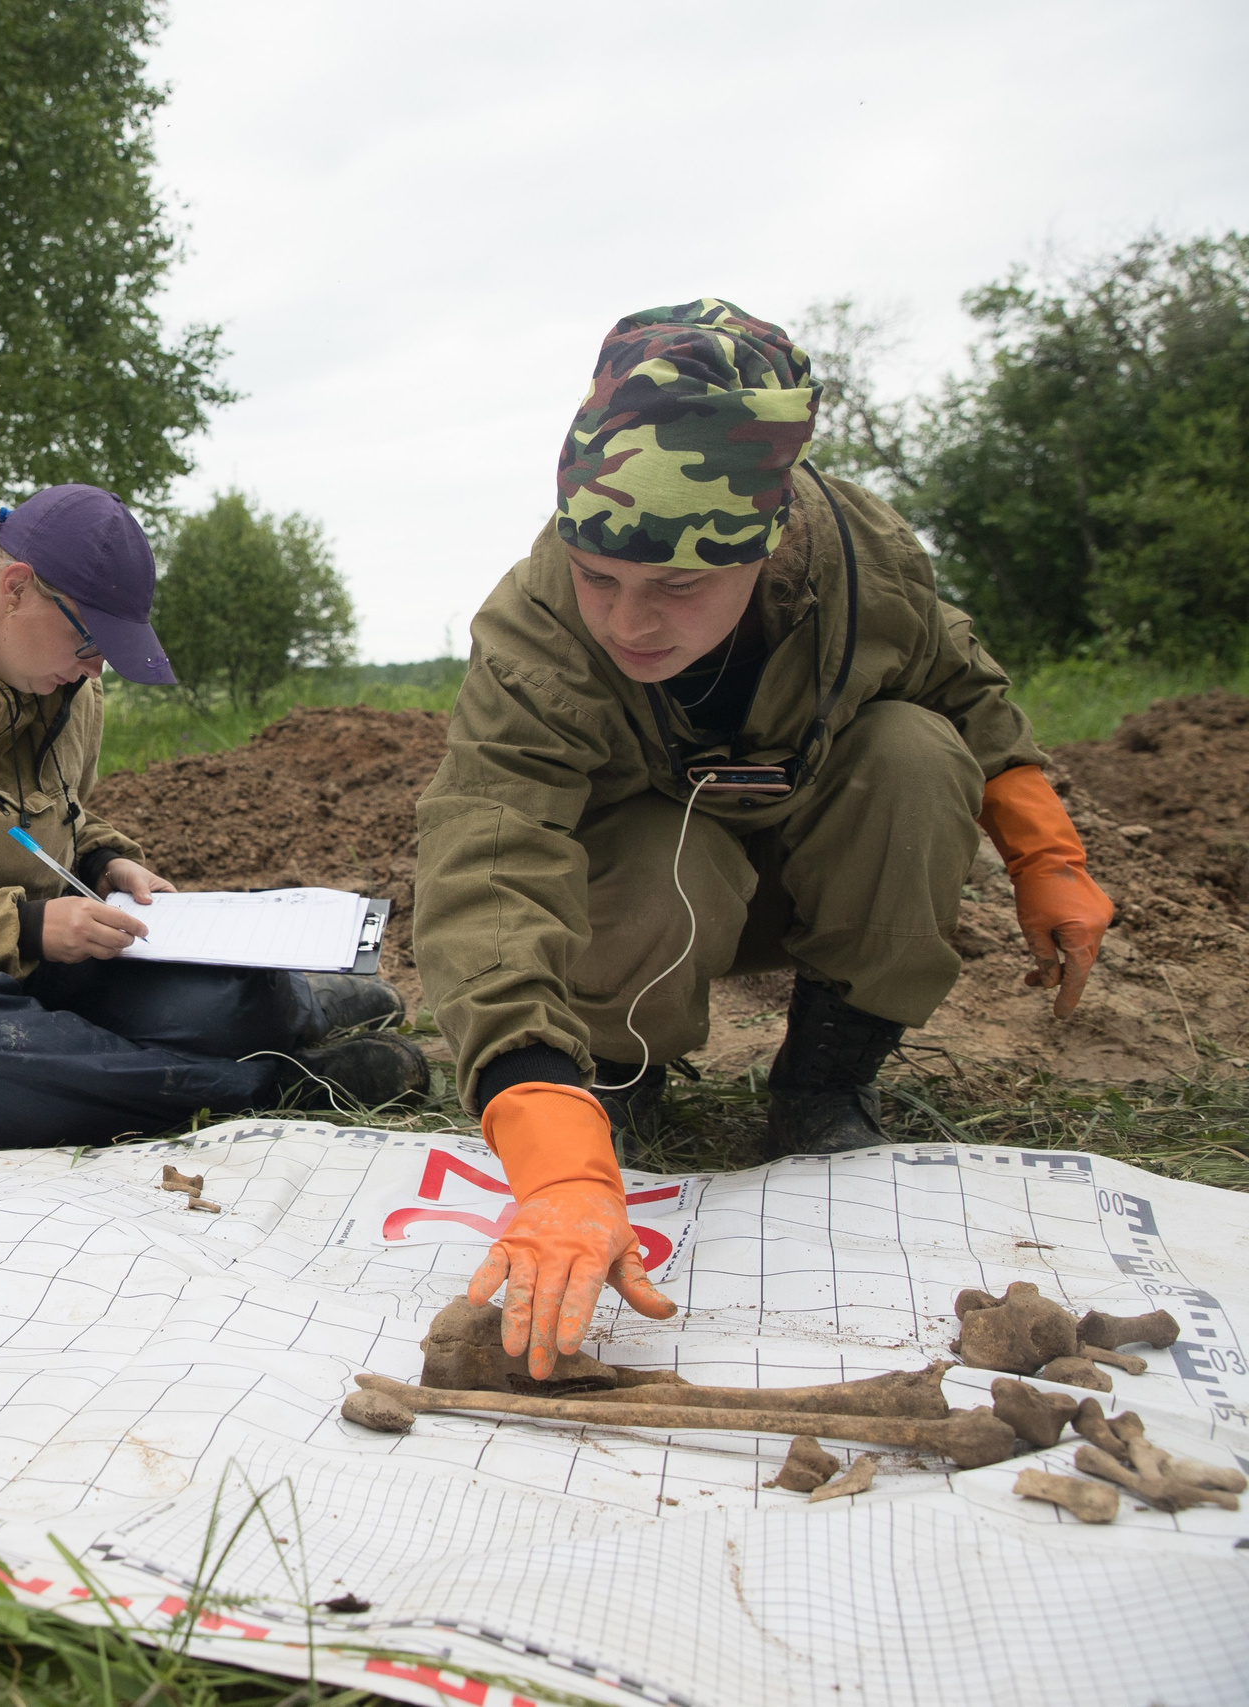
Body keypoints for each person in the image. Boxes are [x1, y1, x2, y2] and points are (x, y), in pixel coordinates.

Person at [411, 299, 1115, 1376]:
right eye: (600, 579)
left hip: (827, 869)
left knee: (917, 753)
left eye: (678, 586)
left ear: (769, 541)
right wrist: (547, 1130)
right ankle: (614, 1085)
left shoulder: (866, 562)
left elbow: (962, 688)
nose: (628, 622)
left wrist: (1045, 857)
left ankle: (824, 1084)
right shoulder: (537, 624)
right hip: (653, 898)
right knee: (665, 852)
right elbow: (489, 849)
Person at [0, 483, 427, 1149]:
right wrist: (26, 927)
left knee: (230, 998)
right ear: (16, 588)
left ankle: (295, 1009)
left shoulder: (67, 689)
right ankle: (274, 1085)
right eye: (89, 638)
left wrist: (103, 860)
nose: (95, 667)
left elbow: (60, 819)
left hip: (41, 965)